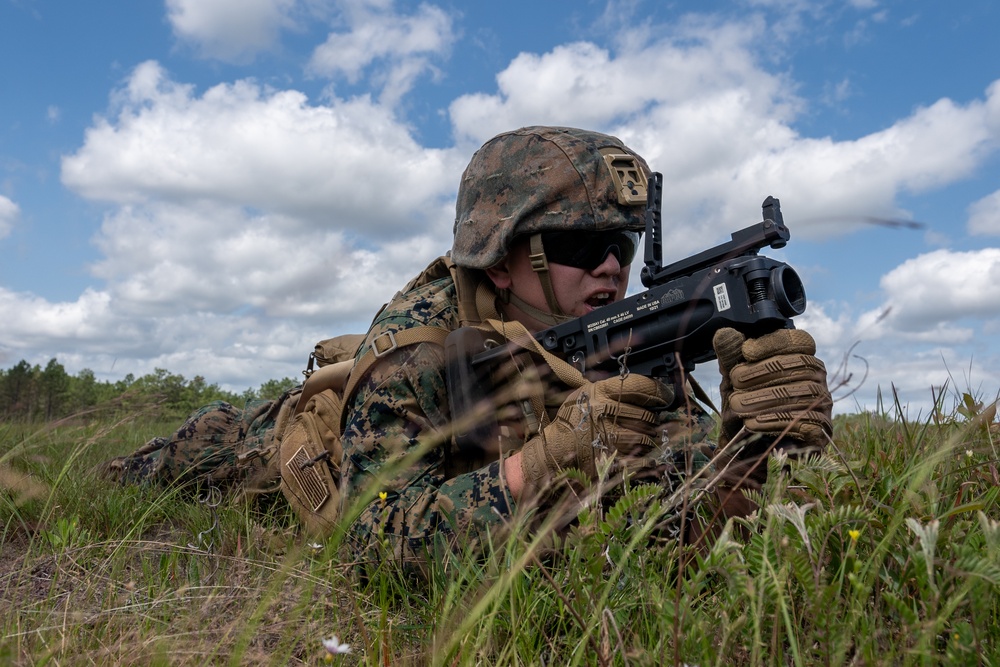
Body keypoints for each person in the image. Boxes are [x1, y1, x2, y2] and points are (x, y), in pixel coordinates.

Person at [105, 126, 833, 568]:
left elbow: (671, 488)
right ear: (498, 259)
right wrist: (543, 464)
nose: (610, 267)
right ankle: (119, 465)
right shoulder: (416, 342)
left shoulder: (628, 335)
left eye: (618, 243)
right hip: (303, 443)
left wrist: (754, 445)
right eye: (581, 244)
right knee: (196, 449)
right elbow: (374, 540)